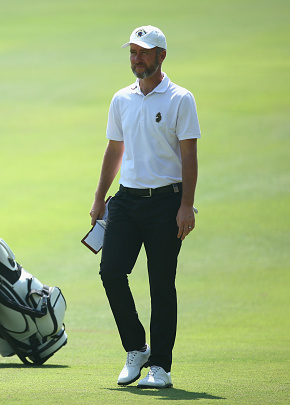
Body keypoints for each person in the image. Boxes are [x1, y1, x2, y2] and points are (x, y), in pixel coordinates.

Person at [89, 25, 200, 388]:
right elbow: (114, 150)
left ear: (161, 56)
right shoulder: (121, 98)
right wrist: (98, 199)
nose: (137, 59)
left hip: (166, 204)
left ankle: (161, 367)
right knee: (110, 272)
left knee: (161, 285)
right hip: (126, 201)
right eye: (133, 52)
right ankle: (137, 348)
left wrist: (187, 205)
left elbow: (189, 155)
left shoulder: (180, 98)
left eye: (145, 52)